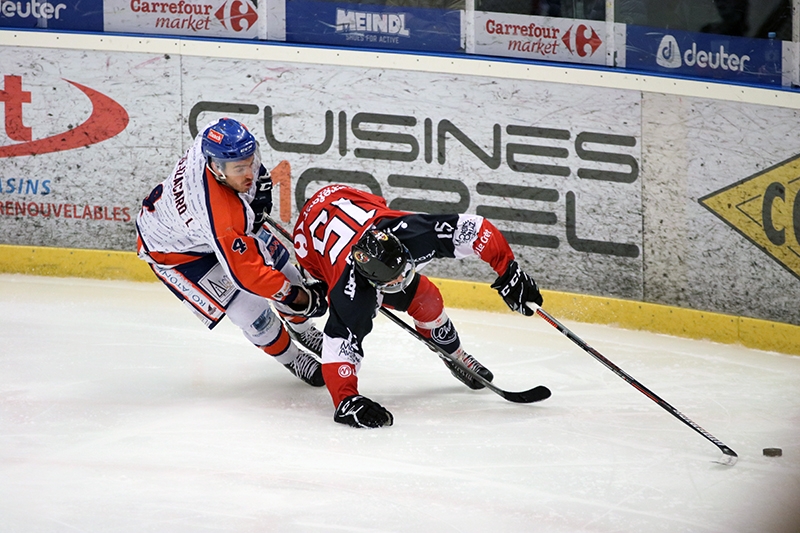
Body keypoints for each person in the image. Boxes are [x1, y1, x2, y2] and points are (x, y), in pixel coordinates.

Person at [292, 184, 544, 428]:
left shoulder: (411, 232)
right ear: (371, 282)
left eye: (404, 271)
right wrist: (347, 400)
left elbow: (475, 229)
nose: (402, 280)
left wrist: (509, 270)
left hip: (344, 197)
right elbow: (339, 346)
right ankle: (298, 326)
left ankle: (456, 357)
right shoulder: (351, 294)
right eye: (393, 280)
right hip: (310, 243)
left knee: (427, 298)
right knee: (316, 299)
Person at [135, 118, 329, 387]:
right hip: (178, 253)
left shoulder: (214, 136)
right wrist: (297, 297)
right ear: (216, 168)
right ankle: (292, 358)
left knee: (287, 272)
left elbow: (240, 154)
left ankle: (303, 330)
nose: (248, 172)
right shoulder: (221, 216)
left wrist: (259, 182)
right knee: (251, 312)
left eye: (250, 162)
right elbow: (250, 276)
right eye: (240, 169)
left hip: (207, 226)